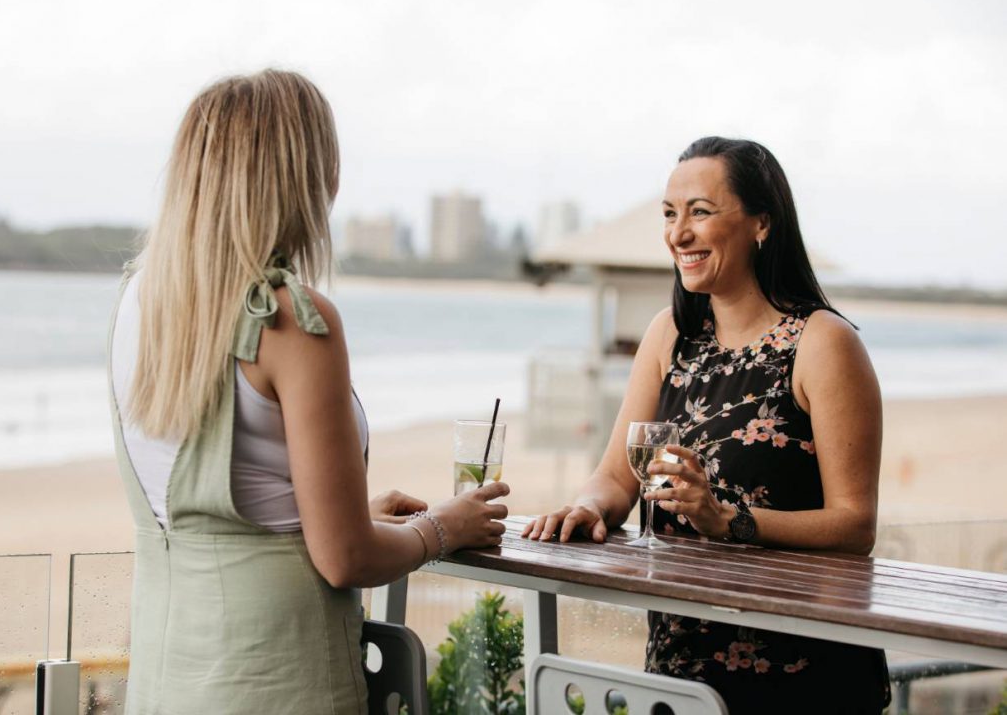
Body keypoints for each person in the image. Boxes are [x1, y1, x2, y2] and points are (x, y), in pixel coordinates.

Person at [107, 71, 509, 714]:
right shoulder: (288, 317)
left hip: (168, 679)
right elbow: (345, 558)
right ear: (303, 177)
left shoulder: (141, 299)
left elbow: (203, 508)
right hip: (279, 679)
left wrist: (344, 510)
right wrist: (446, 526)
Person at [522, 137, 890, 712]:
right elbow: (618, 477)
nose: (678, 233)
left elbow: (854, 526)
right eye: (670, 214)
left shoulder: (823, 344)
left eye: (700, 211)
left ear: (761, 223)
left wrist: (728, 520)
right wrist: (588, 508)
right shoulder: (668, 336)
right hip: (681, 668)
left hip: (802, 670)